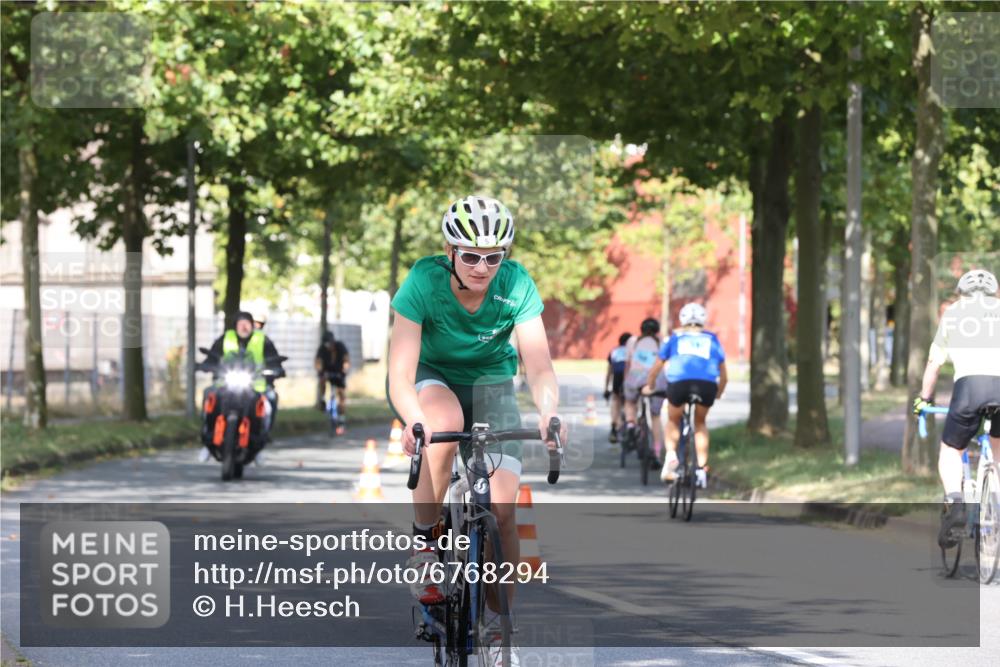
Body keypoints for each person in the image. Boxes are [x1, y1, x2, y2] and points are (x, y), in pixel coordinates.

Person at [387, 195, 565, 666]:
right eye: (470, 255)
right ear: (449, 250)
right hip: (433, 379)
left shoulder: (517, 283)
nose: (482, 267)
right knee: (445, 423)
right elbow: (399, 373)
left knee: (503, 509)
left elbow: (540, 366)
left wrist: (548, 413)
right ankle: (426, 541)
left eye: (493, 257)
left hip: (492, 387)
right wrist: (414, 419)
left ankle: (497, 625)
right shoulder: (423, 281)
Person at [912, 268, 1000, 548]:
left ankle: (957, 502)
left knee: (951, 450)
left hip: (969, 390)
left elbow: (934, 364)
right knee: (998, 448)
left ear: (961, 292)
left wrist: (924, 399)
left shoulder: (952, 314)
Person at [645, 302, 727, 488]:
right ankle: (701, 468)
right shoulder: (712, 339)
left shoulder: (674, 338)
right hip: (706, 386)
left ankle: (671, 455)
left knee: (673, 419)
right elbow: (724, 375)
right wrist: (719, 393)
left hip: (679, 385)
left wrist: (650, 385)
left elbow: (657, 367)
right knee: (700, 423)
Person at [207, 311, 284, 434]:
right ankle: (208, 429)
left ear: (252, 325)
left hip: (256, 385)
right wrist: (207, 365)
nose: (244, 327)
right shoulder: (226, 338)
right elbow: (213, 356)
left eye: (247, 323)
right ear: (235, 325)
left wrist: (276, 369)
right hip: (226, 384)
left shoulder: (262, 339)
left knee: (271, 399)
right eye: (241, 323)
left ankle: (264, 432)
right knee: (209, 395)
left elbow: (273, 358)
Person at [622, 318, 663, 458]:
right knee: (655, 415)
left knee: (630, 401)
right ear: (657, 331)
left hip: (636, 377)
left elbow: (628, 364)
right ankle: (657, 451)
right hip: (656, 380)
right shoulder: (662, 342)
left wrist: (626, 380)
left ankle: (631, 424)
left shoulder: (632, 341)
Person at [315, 330, 351, 428]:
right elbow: (318, 362)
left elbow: (346, 360)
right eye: (326, 344)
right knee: (322, 381)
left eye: (329, 344)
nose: (328, 346)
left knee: (341, 394)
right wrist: (320, 372)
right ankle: (322, 399)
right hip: (327, 372)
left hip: (339, 373)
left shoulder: (340, 346)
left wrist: (344, 370)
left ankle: (341, 418)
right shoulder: (322, 349)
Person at [604, 332, 631, 443]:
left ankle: (614, 427)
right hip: (629, 375)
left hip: (617, 377)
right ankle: (632, 424)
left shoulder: (614, 351)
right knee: (630, 401)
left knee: (616, 399)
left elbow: (609, 371)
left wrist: (606, 388)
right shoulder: (632, 351)